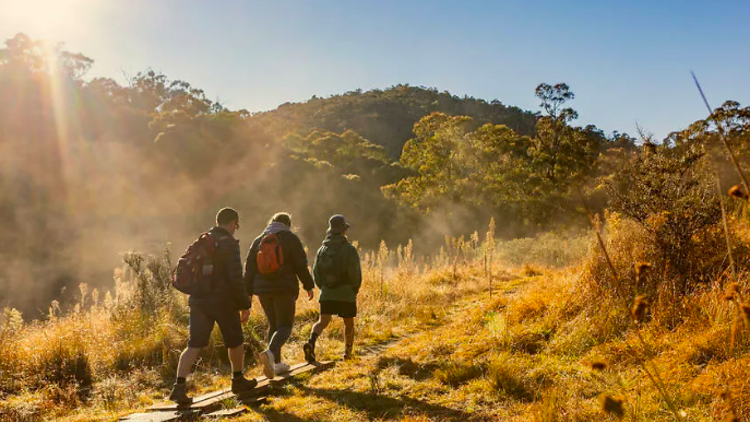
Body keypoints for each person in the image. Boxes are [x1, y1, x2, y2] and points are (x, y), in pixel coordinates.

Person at [169, 208, 257, 405]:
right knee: (235, 341)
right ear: (233, 222)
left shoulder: (203, 241)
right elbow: (235, 278)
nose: (236, 229)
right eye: (236, 225)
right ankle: (238, 380)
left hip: (199, 301)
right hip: (223, 301)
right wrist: (245, 304)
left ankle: (179, 387)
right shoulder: (229, 244)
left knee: (194, 344)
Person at [244, 212, 315, 378]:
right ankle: (270, 354)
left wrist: (247, 294)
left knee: (274, 325)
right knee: (285, 326)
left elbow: (249, 270)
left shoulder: (258, 241)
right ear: (288, 224)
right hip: (284, 288)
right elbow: (300, 265)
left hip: (263, 290)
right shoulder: (290, 238)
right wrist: (309, 285)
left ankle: (276, 364)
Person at [303, 214, 362, 363]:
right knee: (348, 324)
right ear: (343, 230)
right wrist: (354, 289)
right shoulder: (349, 250)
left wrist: (325, 288)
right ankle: (348, 354)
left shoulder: (322, 249)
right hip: (346, 293)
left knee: (322, 322)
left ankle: (311, 342)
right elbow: (355, 273)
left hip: (327, 293)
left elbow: (316, 272)